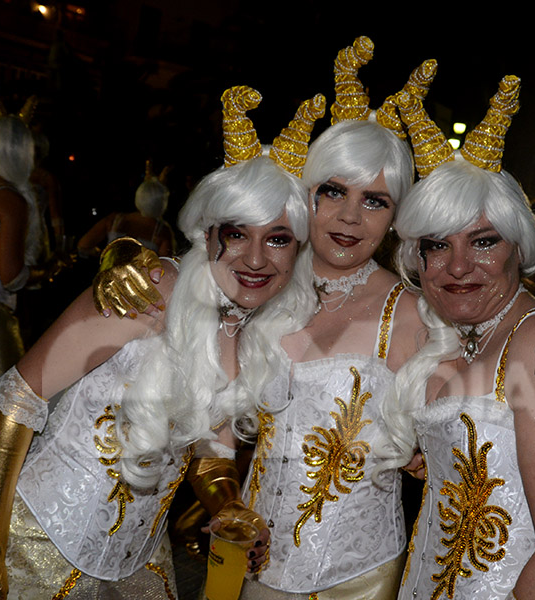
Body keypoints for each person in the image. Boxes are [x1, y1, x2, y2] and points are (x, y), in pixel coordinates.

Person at [0, 85, 322, 599]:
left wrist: (227, 502)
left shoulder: (258, 330)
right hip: (32, 544)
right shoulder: (149, 288)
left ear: (297, 251)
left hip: (137, 567)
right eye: (237, 233)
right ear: (207, 233)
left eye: (278, 239)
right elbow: (17, 398)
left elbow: (209, 452)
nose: (255, 258)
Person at [98, 37, 435, 599]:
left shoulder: (415, 313)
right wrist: (121, 262)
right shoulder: (259, 289)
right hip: (247, 561)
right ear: (305, 194)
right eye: (333, 191)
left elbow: (465, 429)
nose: (350, 216)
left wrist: (427, 453)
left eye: (375, 200)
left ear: (398, 216)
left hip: (358, 575)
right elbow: (215, 430)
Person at [383, 77, 535, 600]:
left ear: (518, 246)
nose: (458, 266)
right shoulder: (467, 336)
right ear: (416, 258)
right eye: (437, 245)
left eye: (483, 241)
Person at [77, 160, 175, 258]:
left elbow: (83, 246)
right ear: (163, 203)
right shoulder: (162, 232)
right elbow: (166, 265)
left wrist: (106, 257)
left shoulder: (114, 219)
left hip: (111, 272)